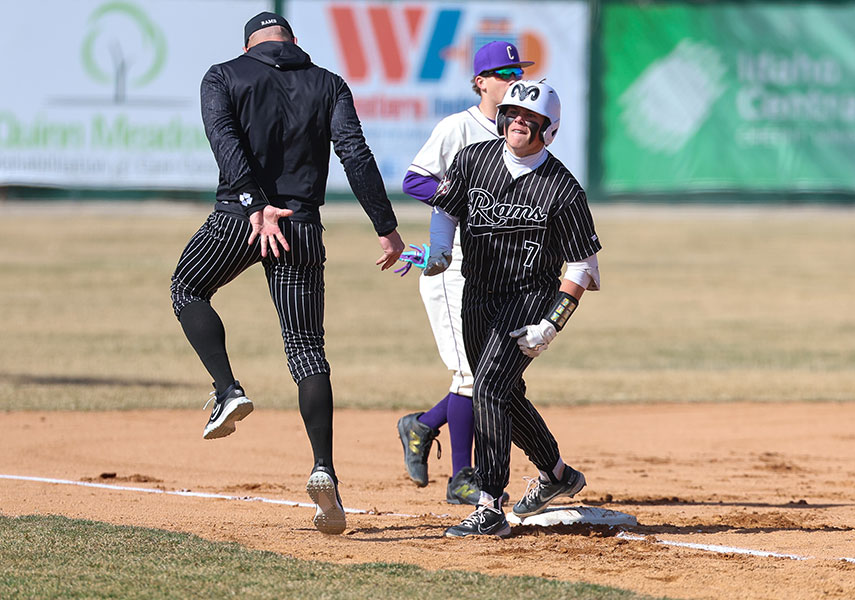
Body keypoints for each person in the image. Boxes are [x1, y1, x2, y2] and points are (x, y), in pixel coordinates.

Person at [169, 11, 404, 536]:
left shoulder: (223, 75)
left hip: (242, 218)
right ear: (293, 42)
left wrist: (254, 204)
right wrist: (386, 228)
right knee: (305, 348)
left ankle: (228, 388)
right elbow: (354, 154)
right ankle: (324, 469)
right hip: (300, 226)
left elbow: (224, 142)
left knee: (187, 287)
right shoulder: (329, 83)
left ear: (249, 44)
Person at [423, 80, 602, 537]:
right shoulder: (473, 159)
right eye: (513, 114)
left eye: (531, 118)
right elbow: (445, 209)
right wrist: (440, 249)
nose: (519, 122)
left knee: (485, 389)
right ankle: (558, 475)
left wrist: (551, 325)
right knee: (504, 395)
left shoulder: (562, 188)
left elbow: (582, 266)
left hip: (528, 300)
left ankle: (489, 505)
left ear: (549, 128)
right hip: (477, 295)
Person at [394, 41, 533, 506]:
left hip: (496, 274)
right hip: (452, 267)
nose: (513, 78)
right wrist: (461, 195)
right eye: (503, 72)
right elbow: (415, 178)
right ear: (480, 81)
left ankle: (424, 425)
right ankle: (461, 479)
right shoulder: (458, 127)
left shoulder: (519, 132)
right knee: (474, 377)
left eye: (518, 70)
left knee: (489, 373)